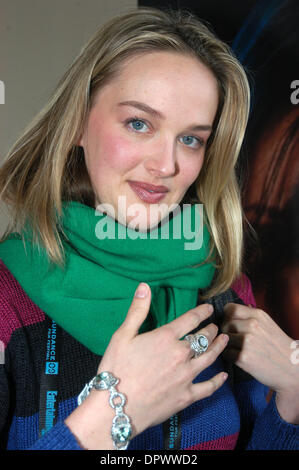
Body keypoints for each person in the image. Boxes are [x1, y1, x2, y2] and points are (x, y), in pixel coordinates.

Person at [0, 7, 298, 451]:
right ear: (79, 122)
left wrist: (294, 395)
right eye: (139, 123)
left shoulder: (225, 290)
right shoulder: (8, 304)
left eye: (191, 138)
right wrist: (111, 415)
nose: (166, 165)